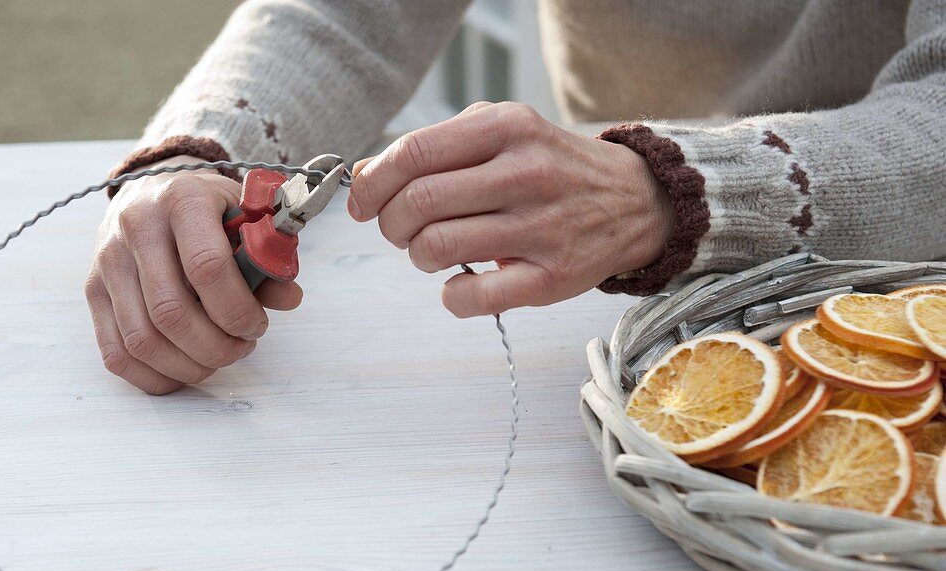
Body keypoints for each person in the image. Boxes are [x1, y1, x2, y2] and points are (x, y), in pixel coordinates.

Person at [85, 0, 946, 395]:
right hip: (598, 322)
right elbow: (347, 17)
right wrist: (197, 156)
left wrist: (673, 192)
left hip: (900, 315)